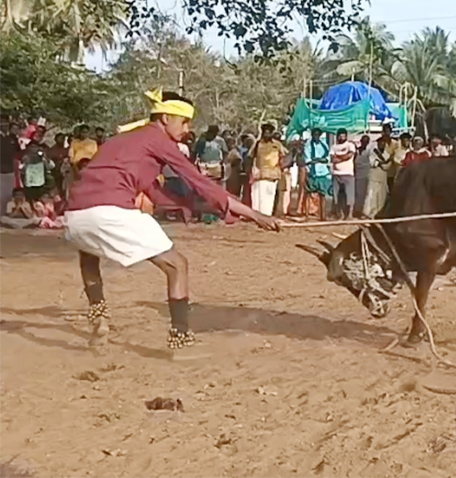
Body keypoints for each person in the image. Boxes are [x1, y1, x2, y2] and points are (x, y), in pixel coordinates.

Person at [63, 90, 279, 359]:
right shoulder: (157, 139)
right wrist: (254, 214)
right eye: (184, 122)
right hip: (110, 211)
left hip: (74, 217)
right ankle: (181, 341)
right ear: (165, 118)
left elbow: (155, 193)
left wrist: (195, 207)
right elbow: (198, 180)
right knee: (178, 265)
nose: (188, 130)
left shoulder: (125, 140)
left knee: (89, 253)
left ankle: (98, 316)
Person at [248, 124, 287, 216]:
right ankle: (257, 216)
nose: (267, 135)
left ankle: (267, 215)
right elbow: (250, 157)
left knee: (269, 197)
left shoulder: (277, 145)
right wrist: (250, 171)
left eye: (269, 133)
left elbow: (284, 156)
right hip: (259, 174)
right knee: (257, 197)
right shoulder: (257, 144)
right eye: (265, 133)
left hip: (271, 175)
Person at [364, 125, 395, 218]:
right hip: (374, 176)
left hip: (382, 177)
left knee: (381, 196)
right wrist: (382, 162)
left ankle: (378, 212)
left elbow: (387, 165)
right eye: (380, 143)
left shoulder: (386, 153)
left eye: (383, 143)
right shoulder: (373, 152)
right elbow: (373, 163)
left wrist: (382, 162)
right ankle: (368, 213)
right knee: (371, 195)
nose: (381, 144)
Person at [303, 128, 332, 220]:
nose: (316, 136)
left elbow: (327, 158)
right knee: (308, 194)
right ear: (312, 135)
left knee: (322, 195)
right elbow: (308, 160)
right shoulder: (308, 145)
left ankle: (322, 216)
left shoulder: (324, 145)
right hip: (312, 172)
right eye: (314, 134)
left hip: (323, 173)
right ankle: (306, 215)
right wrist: (318, 160)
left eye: (318, 134)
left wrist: (318, 160)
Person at [329, 129, 357, 220]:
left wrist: (339, 158)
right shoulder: (334, 147)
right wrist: (343, 157)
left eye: (343, 135)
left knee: (349, 195)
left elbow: (350, 155)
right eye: (340, 135)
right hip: (336, 174)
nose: (342, 137)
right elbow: (333, 159)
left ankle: (349, 215)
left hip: (348, 173)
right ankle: (340, 214)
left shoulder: (350, 145)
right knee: (337, 196)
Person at [1, 122, 20, 215]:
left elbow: (18, 152)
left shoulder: (12, 138)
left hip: (10, 169)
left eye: (5, 125)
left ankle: (5, 214)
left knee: (8, 194)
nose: (4, 126)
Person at [353, 134, 371, 217]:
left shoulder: (369, 151)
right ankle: (356, 210)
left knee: (363, 194)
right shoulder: (356, 151)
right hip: (356, 174)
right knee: (356, 193)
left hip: (365, 175)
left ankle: (361, 211)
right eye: (363, 141)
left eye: (366, 142)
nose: (364, 143)